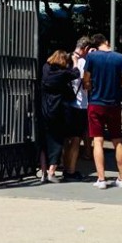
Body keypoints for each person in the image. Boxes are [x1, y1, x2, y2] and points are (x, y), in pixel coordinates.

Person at [82, 33, 122, 189]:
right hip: (114, 104)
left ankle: (101, 179)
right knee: (117, 140)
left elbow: (86, 80)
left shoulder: (92, 58)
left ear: (95, 46)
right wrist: (116, 85)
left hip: (96, 102)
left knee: (98, 140)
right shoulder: (120, 58)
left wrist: (90, 86)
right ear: (107, 42)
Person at [39, 50, 79, 183]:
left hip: (44, 110)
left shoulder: (45, 69)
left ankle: (43, 172)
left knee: (44, 142)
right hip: (58, 112)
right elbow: (76, 73)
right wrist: (75, 61)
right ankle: (52, 171)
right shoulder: (63, 74)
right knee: (57, 142)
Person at [62, 37, 92, 180]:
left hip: (65, 104)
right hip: (79, 104)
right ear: (85, 49)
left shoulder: (65, 58)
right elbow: (86, 84)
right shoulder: (83, 62)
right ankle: (71, 170)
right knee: (75, 140)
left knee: (66, 139)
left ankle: (63, 166)